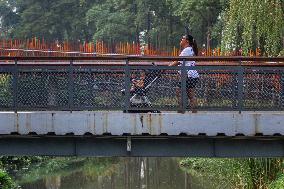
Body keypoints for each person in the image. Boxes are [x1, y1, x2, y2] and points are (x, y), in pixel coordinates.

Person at [169, 34, 199, 113]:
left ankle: (182, 110)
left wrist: (168, 66)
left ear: (187, 41)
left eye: (183, 38)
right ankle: (194, 112)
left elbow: (178, 61)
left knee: (179, 92)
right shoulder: (189, 49)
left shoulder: (187, 50)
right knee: (190, 94)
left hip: (188, 75)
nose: (181, 40)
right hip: (192, 75)